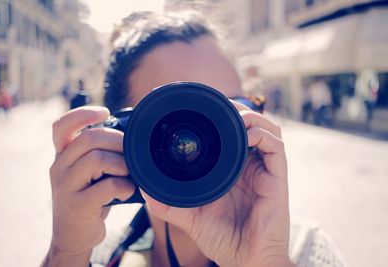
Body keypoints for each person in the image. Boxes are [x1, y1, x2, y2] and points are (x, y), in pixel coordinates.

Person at [42, 12, 344, 267]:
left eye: (233, 110)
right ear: (116, 138)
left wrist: (266, 260)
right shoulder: (96, 252)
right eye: (175, 112)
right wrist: (65, 253)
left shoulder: (306, 250)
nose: (219, 134)